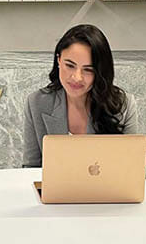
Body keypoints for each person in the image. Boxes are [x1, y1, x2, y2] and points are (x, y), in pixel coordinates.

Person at [23, 24, 138, 168]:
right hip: (55, 191)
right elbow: (30, 169)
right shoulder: (36, 103)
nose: (77, 78)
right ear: (58, 60)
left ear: (100, 72)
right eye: (70, 65)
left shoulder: (124, 105)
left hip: (108, 190)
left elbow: (131, 169)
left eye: (88, 70)